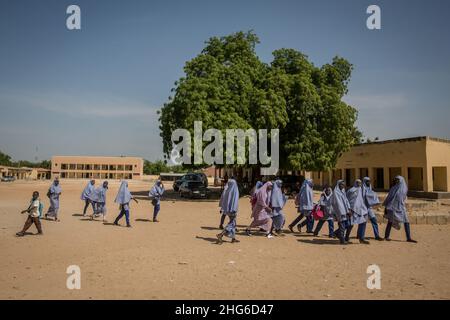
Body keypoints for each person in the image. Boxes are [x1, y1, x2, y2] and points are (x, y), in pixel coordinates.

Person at [383, 176, 417, 243]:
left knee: (406, 221)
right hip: (393, 207)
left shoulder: (404, 188)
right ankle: (386, 236)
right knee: (390, 221)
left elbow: (404, 198)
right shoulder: (393, 188)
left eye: (398, 180)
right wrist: (386, 206)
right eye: (396, 180)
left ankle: (409, 238)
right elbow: (389, 197)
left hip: (401, 207)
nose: (397, 181)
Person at [346, 179, 370, 244]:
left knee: (363, 222)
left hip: (360, 210)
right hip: (352, 210)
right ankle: (345, 236)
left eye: (360, 183)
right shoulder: (351, 190)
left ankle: (361, 238)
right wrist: (348, 209)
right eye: (358, 182)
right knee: (350, 224)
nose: (359, 184)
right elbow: (347, 199)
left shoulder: (362, 190)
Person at [216, 179, 240, 244]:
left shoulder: (227, 191)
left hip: (228, 210)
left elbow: (224, 201)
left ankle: (233, 238)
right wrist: (234, 209)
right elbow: (234, 201)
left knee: (233, 223)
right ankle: (220, 235)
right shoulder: (234, 191)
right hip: (232, 210)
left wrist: (223, 208)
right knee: (232, 223)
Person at [331, 180, 351, 244]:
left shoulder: (343, 191)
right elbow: (338, 204)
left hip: (346, 211)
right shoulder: (336, 192)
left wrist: (348, 209)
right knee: (342, 226)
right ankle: (342, 240)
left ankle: (336, 233)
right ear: (338, 185)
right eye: (341, 184)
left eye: (343, 184)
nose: (343, 186)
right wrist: (343, 212)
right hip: (340, 212)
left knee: (348, 225)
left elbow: (346, 200)